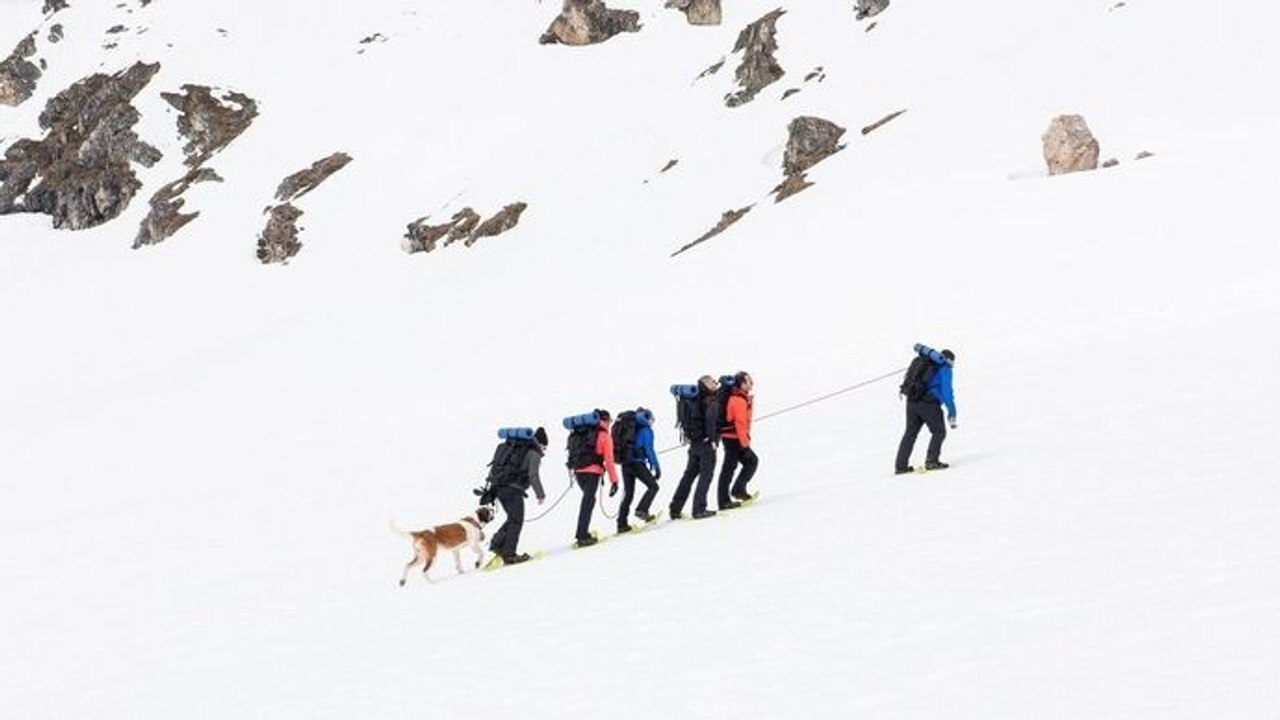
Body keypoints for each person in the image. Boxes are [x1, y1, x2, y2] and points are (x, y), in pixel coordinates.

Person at [486, 427, 548, 565]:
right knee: (516, 521)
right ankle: (509, 554)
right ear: (541, 444)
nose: (544, 451)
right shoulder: (534, 454)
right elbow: (533, 475)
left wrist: (492, 489)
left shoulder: (511, 448)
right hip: (513, 490)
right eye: (545, 447)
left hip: (500, 487)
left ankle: (498, 544)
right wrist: (540, 494)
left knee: (513, 518)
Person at [895, 345, 957, 474]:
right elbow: (947, 393)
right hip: (929, 404)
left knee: (910, 434)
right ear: (949, 360)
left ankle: (901, 466)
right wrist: (952, 412)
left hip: (912, 401)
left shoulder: (925, 363)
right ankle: (932, 462)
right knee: (939, 431)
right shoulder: (945, 369)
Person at [668, 375, 722, 520]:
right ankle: (699, 509)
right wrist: (713, 440)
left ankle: (675, 508)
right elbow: (711, 420)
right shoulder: (710, 400)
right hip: (706, 444)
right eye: (712, 382)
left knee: (689, 476)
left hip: (694, 443)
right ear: (706, 385)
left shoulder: (694, 399)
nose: (715, 383)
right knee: (706, 475)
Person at [565, 409, 619, 547]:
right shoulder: (604, 436)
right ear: (605, 420)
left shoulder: (580, 433)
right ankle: (582, 535)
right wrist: (614, 481)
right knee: (588, 502)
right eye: (609, 420)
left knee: (589, 500)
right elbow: (609, 460)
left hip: (578, 471)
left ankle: (583, 533)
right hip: (592, 472)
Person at [717, 371, 759, 509]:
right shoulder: (738, 400)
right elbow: (740, 424)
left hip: (736, 438)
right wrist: (745, 446)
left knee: (749, 462)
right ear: (741, 384)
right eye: (748, 381)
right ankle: (724, 500)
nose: (751, 383)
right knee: (730, 468)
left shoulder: (741, 397)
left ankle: (738, 490)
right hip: (733, 439)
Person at [616, 407, 661, 533]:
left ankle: (621, 524)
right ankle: (642, 510)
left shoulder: (628, 428)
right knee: (653, 487)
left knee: (628, 494)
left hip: (625, 463)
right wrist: (656, 466)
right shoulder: (646, 431)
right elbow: (649, 449)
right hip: (637, 464)